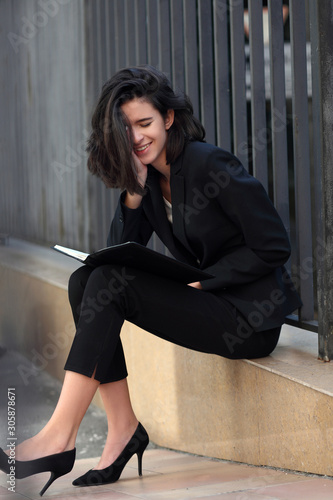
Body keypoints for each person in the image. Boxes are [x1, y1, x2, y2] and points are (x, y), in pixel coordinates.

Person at [0, 65, 302, 496]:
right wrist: (135, 190)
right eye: (127, 130)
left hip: (248, 318)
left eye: (145, 123)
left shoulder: (208, 163)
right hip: (212, 306)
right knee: (84, 283)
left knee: (104, 284)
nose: (138, 137)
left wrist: (208, 282)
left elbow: (274, 245)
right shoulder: (148, 178)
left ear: (169, 119)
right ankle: (123, 428)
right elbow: (109, 258)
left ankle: (57, 437)